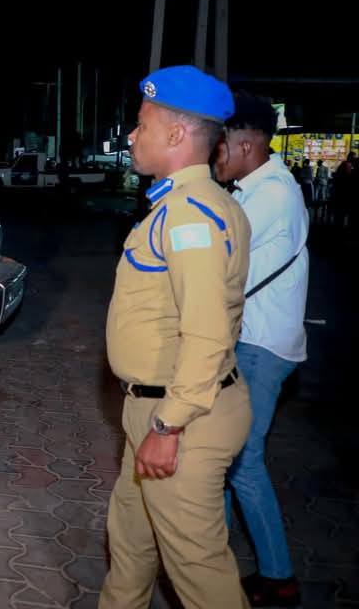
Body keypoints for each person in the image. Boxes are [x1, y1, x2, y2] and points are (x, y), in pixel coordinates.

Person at [100, 66, 252, 608]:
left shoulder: (190, 217)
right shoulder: (194, 205)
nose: (131, 135)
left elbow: (206, 331)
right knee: (130, 548)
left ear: (175, 134)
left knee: (200, 575)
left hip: (180, 420)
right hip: (155, 410)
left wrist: (168, 426)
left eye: (141, 125)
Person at [213, 93, 307, 607]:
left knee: (243, 462)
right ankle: (215, 560)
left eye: (222, 147)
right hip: (255, 341)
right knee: (227, 457)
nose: (217, 156)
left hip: (261, 347)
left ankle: (279, 577)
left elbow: (220, 258)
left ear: (246, 145)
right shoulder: (261, 189)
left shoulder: (270, 194)